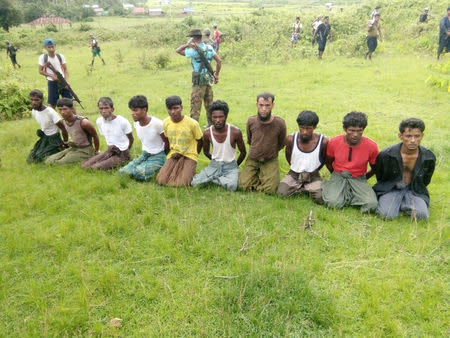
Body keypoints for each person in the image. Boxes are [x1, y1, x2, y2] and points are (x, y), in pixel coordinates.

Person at [373, 118, 435, 220]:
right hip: (391, 188)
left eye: (417, 136)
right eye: (408, 136)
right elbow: (380, 176)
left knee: (421, 216)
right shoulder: (386, 154)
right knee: (387, 215)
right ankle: (398, 202)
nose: (413, 140)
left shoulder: (428, 156)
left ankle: (404, 202)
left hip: (414, 189)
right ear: (400, 136)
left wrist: (416, 187)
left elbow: (426, 179)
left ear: (422, 136)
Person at [321, 111, 378, 213]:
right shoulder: (334, 142)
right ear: (345, 129)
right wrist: (336, 175)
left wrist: (363, 178)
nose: (355, 135)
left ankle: (348, 195)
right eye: (351, 130)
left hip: (358, 178)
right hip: (339, 175)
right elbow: (328, 162)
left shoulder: (371, 146)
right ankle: (341, 192)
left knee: (371, 205)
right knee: (333, 203)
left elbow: (375, 168)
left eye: (359, 131)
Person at [191, 100, 246, 191]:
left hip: (230, 166)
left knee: (232, 186)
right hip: (214, 165)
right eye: (214, 117)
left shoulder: (235, 131)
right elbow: (205, 151)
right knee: (195, 183)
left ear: (226, 116)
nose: (218, 120)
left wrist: (235, 166)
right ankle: (218, 180)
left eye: (221, 117)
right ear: (211, 117)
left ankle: (213, 179)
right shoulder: (208, 132)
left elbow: (243, 152)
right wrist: (214, 161)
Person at [238, 92, 286, 194]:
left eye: (267, 105)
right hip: (253, 158)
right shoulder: (251, 121)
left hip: (270, 159)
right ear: (257, 105)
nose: (264, 109)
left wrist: (270, 152)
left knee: (271, 189)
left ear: (273, 105)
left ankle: (263, 179)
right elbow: (250, 140)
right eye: (261, 105)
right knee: (242, 185)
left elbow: (281, 143)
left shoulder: (280, 123)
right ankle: (259, 178)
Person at [276, 110, 328, 203]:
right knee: (281, 193)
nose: (304, 132)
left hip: (313, 175)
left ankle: (306, 187)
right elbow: (288, 156)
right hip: (294, 174)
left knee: (320, 198)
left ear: (315, 127)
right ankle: (305, 189)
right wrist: (296, 168)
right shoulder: (291, 139)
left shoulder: (323, 141)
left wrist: (314, 171)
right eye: (302, 128)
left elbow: (323, 159)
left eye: (308, 128)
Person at [176, 29, 222, 126]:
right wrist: (217, 75)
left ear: (193, 38)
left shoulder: (193, 51)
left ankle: (194, 129)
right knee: (209, 104)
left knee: (195, 106)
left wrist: (187, 45)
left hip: (199, 81)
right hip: (209, 78)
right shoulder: (209, 48)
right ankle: (211, 126)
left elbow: (178, 50)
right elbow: (219, 61)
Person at [156, 96, 203, 187]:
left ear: (181, 107)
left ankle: (190, 170)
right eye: (170, 109)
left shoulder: (192, 123)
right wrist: (170, 154)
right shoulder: (166, 122)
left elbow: (200, 140)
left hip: (189, 155)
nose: (173, 112)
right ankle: (180, 170)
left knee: (181, 184)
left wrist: (195, 154)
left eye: (176, 108)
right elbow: (167, 140)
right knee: (161, 180)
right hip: (174, 154)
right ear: (167, 109)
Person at [119, 95, 168, 181]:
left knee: (138, 174)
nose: (132, 113)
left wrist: (164, 157)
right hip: (145, 153)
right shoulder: (136, 123)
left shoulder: (158, 124)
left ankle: (161, 166)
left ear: (144, 110)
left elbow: (167, 142)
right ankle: (145, 165)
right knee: (123, 172)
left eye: (135, 110)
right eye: (131, 110)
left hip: (159, 154)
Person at [81, 97, 133, 170]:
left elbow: (131, 139)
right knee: (84, 165)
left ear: (112, 109)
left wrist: (125, 152)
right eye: (101, 108)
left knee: (94, 168)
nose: (103, 111)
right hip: (110, 150)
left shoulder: (122, 121)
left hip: (122, 153)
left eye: (106, 108)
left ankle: (123, 159)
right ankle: (108, 158)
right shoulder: (99, 121)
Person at [45, 98, 99, 165]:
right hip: (74, 147)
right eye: (60, 109)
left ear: (72, 109)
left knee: (60, 163)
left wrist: (96, 151)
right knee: (49, 160)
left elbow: (95, 136)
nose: (62, 112)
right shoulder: (63, 121)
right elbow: (64, 131)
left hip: (86, 150)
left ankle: (89, 156)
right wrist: (65, 142)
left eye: (65, 109)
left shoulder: (83, 122)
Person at [27, 89, 68, 163]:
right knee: (31, 158)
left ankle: (59, 149)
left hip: (55, 139)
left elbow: (63, 129)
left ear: (42, 100)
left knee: (40, 158)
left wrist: (65, 143)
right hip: (45, 137)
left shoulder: (50, 112)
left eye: (36, 100)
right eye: (32, 100)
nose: (34, 102)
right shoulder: (34, 111)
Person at [38, 38, 72, 109]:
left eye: (52, 46)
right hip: (52, 82)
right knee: (53, 104)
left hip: (62, 81)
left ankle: (75, 119)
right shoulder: (43, 57)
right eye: (49, 47)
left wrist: (66, 81)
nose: (51, 49)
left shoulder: (60, 56)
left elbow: (65, 69)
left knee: (69, 102)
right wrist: (51, 75)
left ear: (55, 46)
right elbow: (40, 71)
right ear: (45, 48)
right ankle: (50, 120)